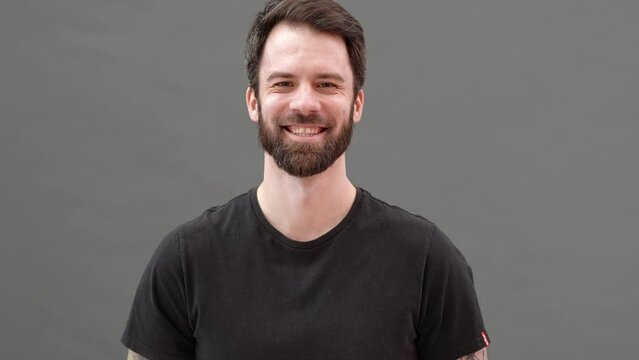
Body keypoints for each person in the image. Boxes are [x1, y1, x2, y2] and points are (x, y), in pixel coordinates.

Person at [121, 0, 490, 359]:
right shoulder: (185, 261)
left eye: (327, 84)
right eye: (283, 83)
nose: (305, 104)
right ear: (254, 101)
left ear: (357, 104)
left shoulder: (427, 261)